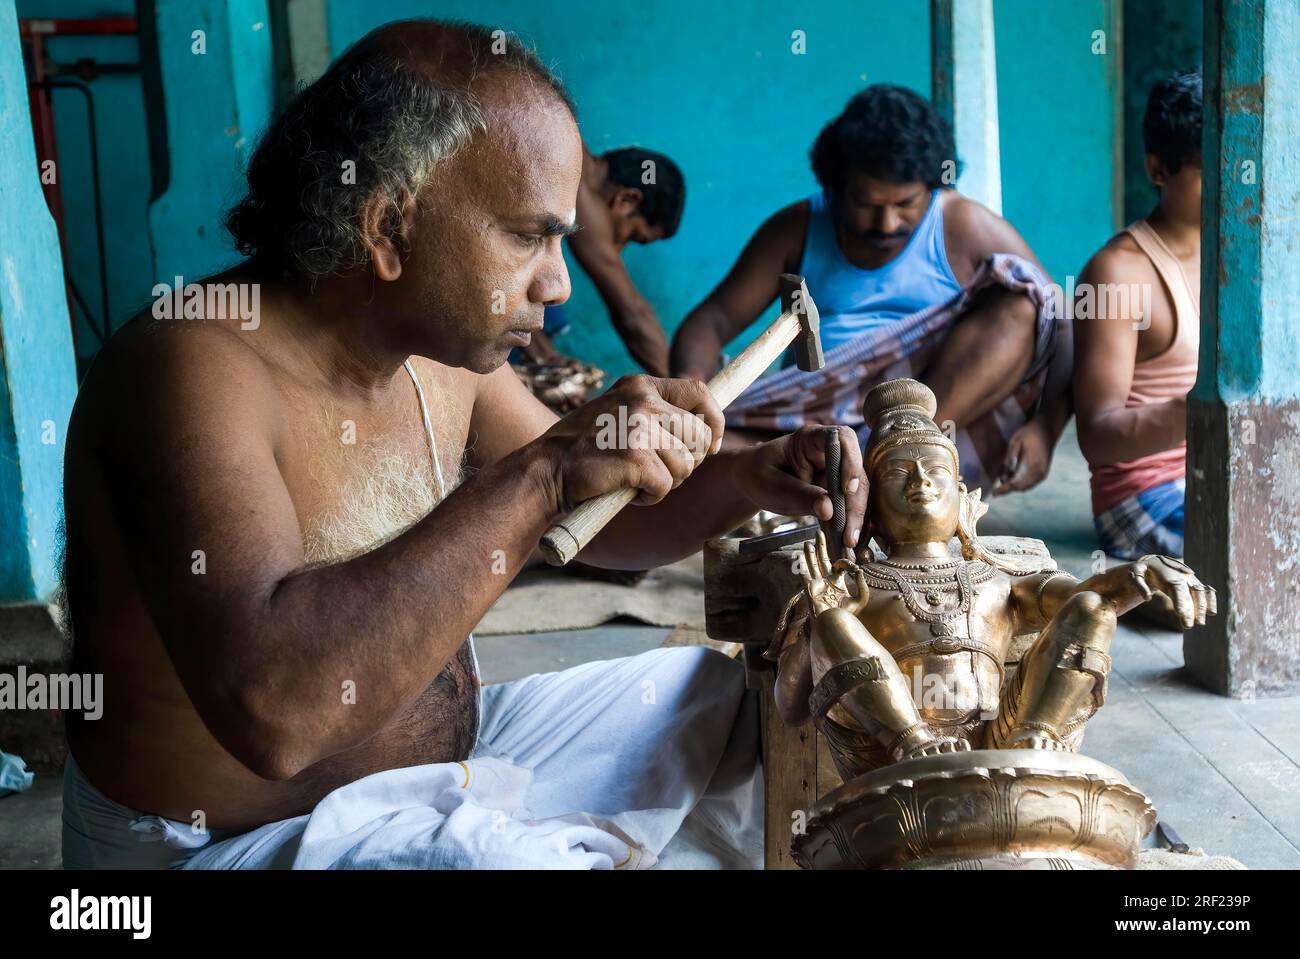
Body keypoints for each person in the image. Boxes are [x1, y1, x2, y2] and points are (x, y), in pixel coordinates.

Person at [58, 19, 867, 869]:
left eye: (561, 238)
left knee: (751, 707)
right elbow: (278, 712)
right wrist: (544, 473)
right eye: (528, 236)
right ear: (385, 226)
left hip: (457, 760)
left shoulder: (439, 353)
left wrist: (751, 476)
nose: (556, 285)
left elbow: (612, 528)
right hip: (231, 840)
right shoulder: (191, 365)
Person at [670, 84, 1072, 494]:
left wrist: (1045, 430)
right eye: (866, 203)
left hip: (933, 428)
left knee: (1023, 306)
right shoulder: (797, 229)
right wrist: (694, 390)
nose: (886, 223)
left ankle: (888, 461)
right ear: (835, 187)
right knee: (696, 454)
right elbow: (711, 320)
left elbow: (1059, 324)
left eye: (905, 203)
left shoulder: (963, 226)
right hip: (813, 428)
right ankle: (853, 479)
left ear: (934, 186)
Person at [1074, 70, 1201, 560]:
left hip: (1238, 474)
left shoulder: (1251, 253)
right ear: (1158, 170)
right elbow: (1097, 438)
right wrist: (1199, 413)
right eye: (1209, 169)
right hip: (1147, 494)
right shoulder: (1117, 273)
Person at [519, 145, 686, 377]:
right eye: (632, 236)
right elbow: (633, 317)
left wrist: (545, 356)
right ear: (626, 200)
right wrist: (687, 397)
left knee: (543, 315)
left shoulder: (569, 152)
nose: (619, 250)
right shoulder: (579, 183)